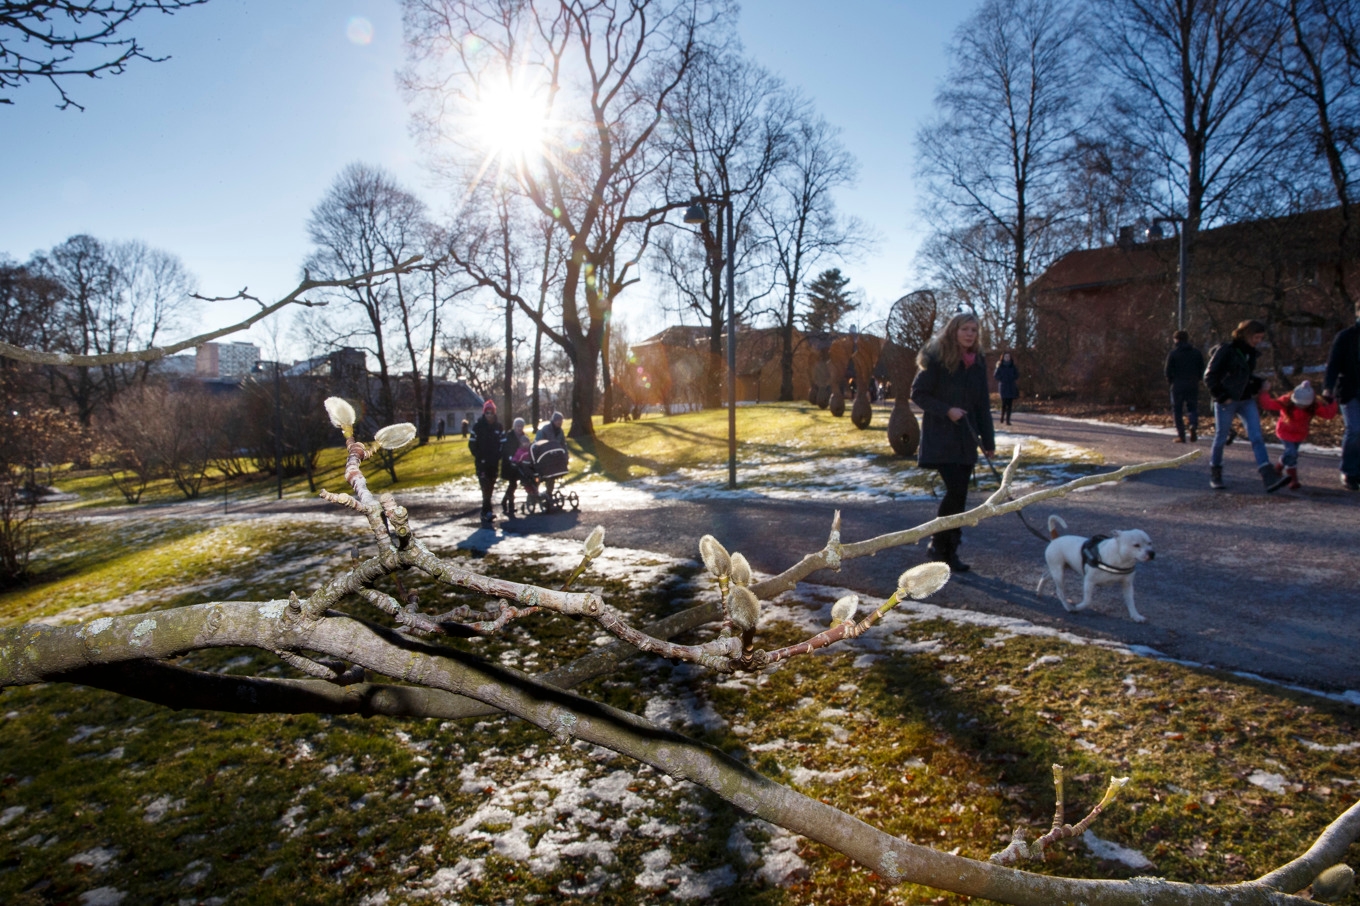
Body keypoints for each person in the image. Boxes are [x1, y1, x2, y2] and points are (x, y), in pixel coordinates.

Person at [910, 310, 995, 572]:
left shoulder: (978, 362)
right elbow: (918, 393)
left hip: (966, 439)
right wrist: (947, 410)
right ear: (953, 331)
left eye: (974, 330)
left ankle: (947, 550)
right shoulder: (937, 358)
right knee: (956, 492)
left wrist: (988, 441)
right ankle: (939, 546)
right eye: (965, 329)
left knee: (960, 496)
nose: (970, 334)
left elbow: (982, 405)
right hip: (941, 437)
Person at [1204, 319, 1288, 492]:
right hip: (1226, 401)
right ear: (1246, 334)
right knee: (1221, 437)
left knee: (1256, 436)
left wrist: (1260, 383)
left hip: (1246, 400)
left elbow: (1244, 377)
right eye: (1256, 337)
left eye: (1261, 338)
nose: (1258, 341)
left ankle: (1268, 476)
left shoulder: (1251, 353)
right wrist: (1221, 396)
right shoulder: (1227, 350)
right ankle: (1216, 472)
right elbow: (1209, 376)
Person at [1258, 380, 1338, 490]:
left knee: (1291, 455)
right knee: (1292, 453)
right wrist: (1264, 392)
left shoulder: (1313, 406)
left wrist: (1333, 402)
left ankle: (1278, 468)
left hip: (1299, 434)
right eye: (1298, 403)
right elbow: (1268, 404)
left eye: (1303, 405)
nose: (1300, 406)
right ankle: (1293, 479)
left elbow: (1328, 414)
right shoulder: (1286, 401)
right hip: (1285, 432)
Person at [1322, 305, 1360, 491]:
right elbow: (1333, 364)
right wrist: (1327, 387)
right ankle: (1349, 471)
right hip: (1350, 390)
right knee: (1355, 429)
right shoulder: (1346, 336)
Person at [1164, 330, 1204, 443]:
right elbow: (1202, 368)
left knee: (1177, 410)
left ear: (1176, 339)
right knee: (1192, 407)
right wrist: (1198, 379)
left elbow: (1167, 371)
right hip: (1192, 384)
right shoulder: (1196, 353)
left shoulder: (1173, 353)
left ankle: (1181, 435)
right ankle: (1193, 424)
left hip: (1177, 384)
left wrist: (1171, 381)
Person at [468, 399, 503, 525]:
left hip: (493, 463)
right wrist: (479, 456)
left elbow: (502, 443)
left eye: (491, 412)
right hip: (482, 463)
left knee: (491, 486)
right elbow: (472, 444)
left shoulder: (498, 427)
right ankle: (487, 511)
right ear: (484, 413)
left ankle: (485, 511)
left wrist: (498, 455)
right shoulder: (478, 427)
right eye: (487, 412)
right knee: (485, 487)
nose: (489, 415)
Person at [500, 417, 531, 515]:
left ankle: (505, 500)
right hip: (509, 463)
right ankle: (510, 505)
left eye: (521, 426)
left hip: (519, 463)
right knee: (513, 484)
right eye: (518, 426)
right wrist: (510, 457)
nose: (519, 428)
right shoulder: (509, 435)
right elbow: (505, 448)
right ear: (514, 426)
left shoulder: (523, 436)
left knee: (513, 484)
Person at [535, 411, 567, 500]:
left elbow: (563, 444)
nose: (560, 422)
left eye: (561, 421)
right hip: (545, 456)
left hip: (555, 457)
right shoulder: (545, 429)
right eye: (558, 420)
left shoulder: (560, 431)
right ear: (554, 420)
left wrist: (565, 456)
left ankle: (549, 492)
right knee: (542, 476)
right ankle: (535, 493)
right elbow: (538, 442)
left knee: (552, 475)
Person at [993, 352, 1019, 426]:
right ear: (1003, 358)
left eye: (1008, 356)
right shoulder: (1000, 366)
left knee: (1010, 404)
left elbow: (1017, 374)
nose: (1007, 358)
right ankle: (1002, 416)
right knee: (1004, 403)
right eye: (1006, 357)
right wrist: (1002, 379)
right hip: (1003, 386)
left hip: (1011, 386)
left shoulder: (1013, 366)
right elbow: (996, 375)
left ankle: (1008, 420)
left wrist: (1012, 378)